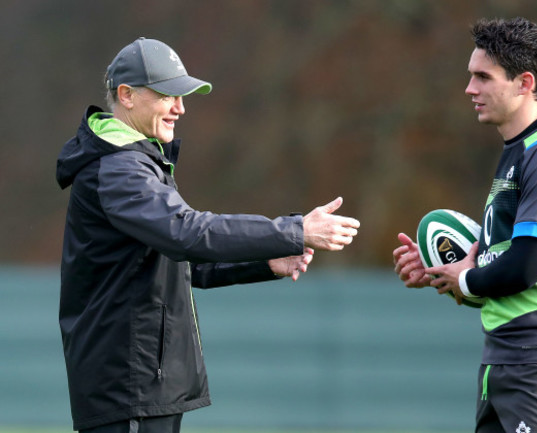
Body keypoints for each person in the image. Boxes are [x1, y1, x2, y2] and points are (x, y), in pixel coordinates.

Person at [56, 37, 360, 433]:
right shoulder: (120, 169)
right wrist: (294, 230)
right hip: (128, 387)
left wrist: (266, 261)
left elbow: (179, 261)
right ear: (126, 96)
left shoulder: (133, 162)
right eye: (168, 95)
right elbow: (190, 234)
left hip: (139, 385)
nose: (180, 108)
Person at [393, 17, 537, 433]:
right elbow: (493, 265)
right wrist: (443, 271)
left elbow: (525, 267)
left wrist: (466, 279)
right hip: (507, 359)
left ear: (524, 83)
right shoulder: (517, 152)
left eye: (483, 77)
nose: (470, 89)